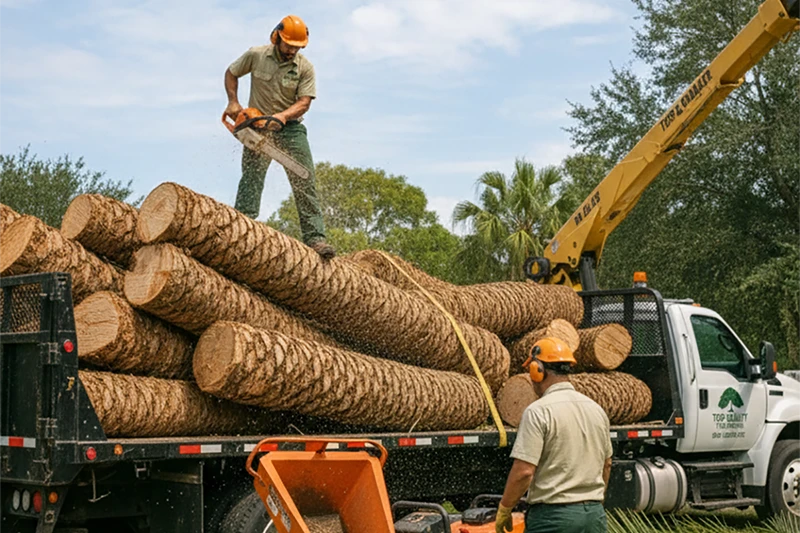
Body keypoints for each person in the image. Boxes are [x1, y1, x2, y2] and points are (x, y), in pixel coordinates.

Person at [223, 14, 335, 259]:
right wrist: (233, 102)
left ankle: (315, 238)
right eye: (289, 45)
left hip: (290, 128)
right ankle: (242, 226)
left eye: (297, 47)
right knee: (252, 177)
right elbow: (231, 72)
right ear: (277, 37)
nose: (292, 51)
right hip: (257, 125)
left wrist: (282, 117)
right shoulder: (256, 55)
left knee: (304, 177)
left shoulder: (305, 67)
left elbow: (304, 102)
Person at [495, 338, 613, 533]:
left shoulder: (538, 411)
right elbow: (606, 464)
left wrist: (505, 509)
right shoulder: (596, 409)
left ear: (537, 370)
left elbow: (524, 472)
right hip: (594, 516)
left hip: (553, 518)